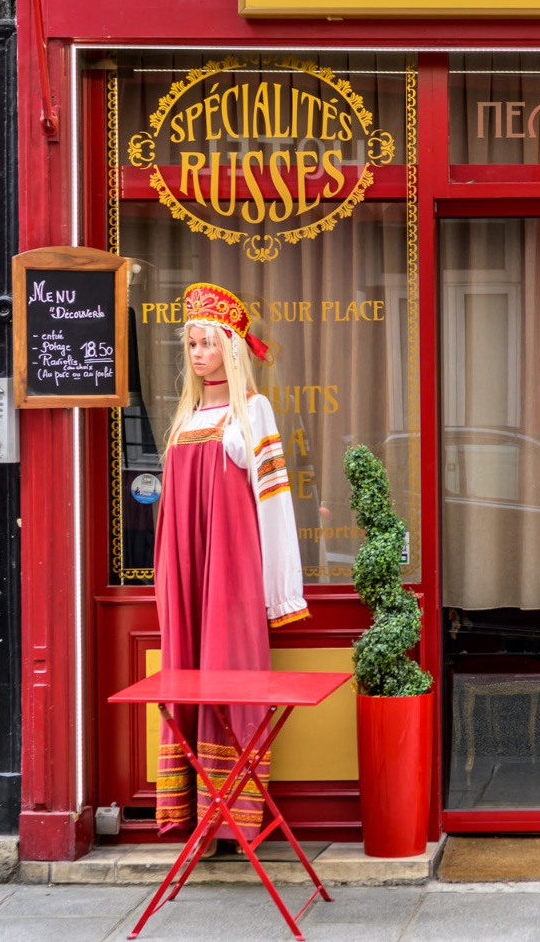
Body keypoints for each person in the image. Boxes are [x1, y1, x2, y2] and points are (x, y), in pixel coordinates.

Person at [154, 282, 308, 839]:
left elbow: (274, 503)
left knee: (226, 670)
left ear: (230, 349)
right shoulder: (185, 416)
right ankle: (194, 813)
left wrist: (280, 590)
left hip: (229, 571)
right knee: (187, 673)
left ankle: (230, 815)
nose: (197, 355)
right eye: (191, 345)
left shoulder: (254, 412)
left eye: (206, 344)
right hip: (185, 571)